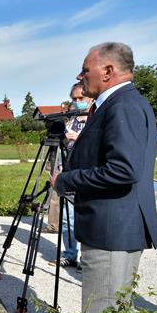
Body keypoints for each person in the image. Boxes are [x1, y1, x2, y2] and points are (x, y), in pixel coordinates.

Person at [52, 42, 157, 313]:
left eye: (85, 70)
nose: (79, 76)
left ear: (108, 71)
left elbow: (123, 170)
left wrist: (67, 180)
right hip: (112, 226)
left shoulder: (122, 106)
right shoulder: (116, 104)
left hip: (112, 229)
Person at [53, 82, 93, 271]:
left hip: (87, 175)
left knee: (87, 217)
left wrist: (78, 139)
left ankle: (87, 259)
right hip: (69, 171)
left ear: (90, 97)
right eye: (74, 99)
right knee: (68, 217)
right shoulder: (72, 119)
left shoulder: (95, 117)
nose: (77, 102)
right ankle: (70, 254)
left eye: (81, 99)